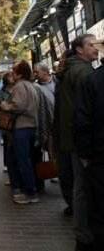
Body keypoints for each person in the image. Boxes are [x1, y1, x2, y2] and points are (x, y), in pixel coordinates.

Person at [55, 34, 99, 251]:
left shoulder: (71, 70)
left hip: (72, 138)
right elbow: (86, 112)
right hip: (80, 140)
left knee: (80, 186)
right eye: (90, 44)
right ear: (80, 50)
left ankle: (83, 230)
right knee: (83, 187)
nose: (96, 48)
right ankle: (84, 232)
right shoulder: (84, 73)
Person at [74, 39, 104, 251]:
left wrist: (85, 153)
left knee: (98, 206)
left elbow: (82, 120)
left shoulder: (92, 79)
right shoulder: (87, 76)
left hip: (99, 155)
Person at [1, 60, 39, 204]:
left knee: (22, 160)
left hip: (21, 127)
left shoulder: (19, 87)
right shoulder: (31, 86)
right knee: (23, 159)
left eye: (14, 71)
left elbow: (18, 106)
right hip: (30, 126)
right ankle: (27, 188)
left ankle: (29, 191)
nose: (12, 73)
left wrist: (5, 106)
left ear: (19, 73)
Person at [54, 49, 76, 217]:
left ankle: (72, 203)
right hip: (70, 134)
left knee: (68, 172)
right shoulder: (67, 78)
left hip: (66, 133)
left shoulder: (64, 78)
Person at [33, 63, 57, 192]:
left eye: (37, 72)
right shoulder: (36, 87)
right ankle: (55, 170)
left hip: (61, 121)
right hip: (47, 122)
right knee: (51, 149)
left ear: (45, 72)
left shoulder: (58, 82)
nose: (35, 74)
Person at [0, 72, 15, 172]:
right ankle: (7, 164)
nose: (13, 78)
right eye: (10, 76)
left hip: (17, 121)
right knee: (7, 144)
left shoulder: (17, 90)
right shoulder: (0, 93)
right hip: (6, 122)